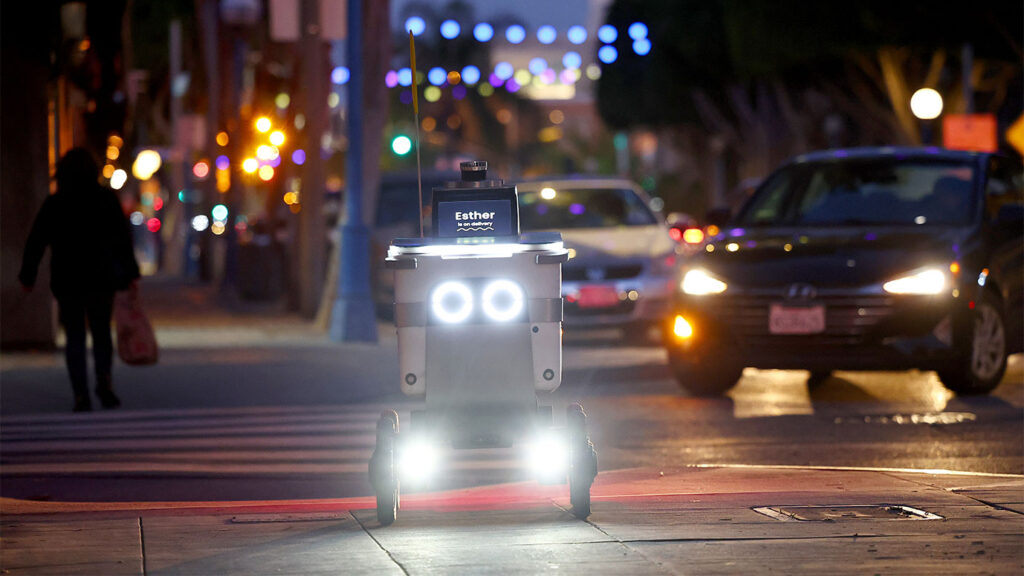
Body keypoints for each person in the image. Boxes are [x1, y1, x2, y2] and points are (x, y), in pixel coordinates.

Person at [19, 148, 140, 412]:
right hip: (101, 277)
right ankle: (104, 383)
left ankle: (80, 394)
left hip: (68, 278)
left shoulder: (56, 203)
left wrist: (28, 275)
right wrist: (130, 273)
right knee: (100, 333)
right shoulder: (106, 200)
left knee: (74, 335)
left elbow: (36, 241)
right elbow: (122, 239)